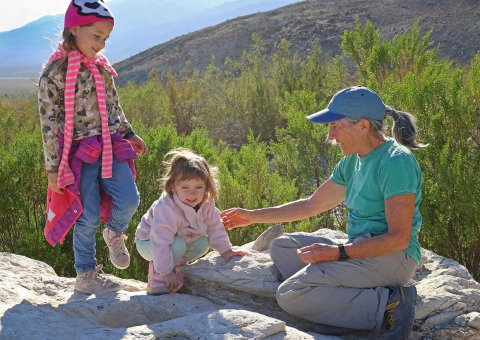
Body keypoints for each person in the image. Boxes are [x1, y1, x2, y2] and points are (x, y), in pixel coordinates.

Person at [221, 86, 426, 339]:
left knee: (290, 295)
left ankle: (390, 303)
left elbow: (398, 239)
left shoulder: (396, 162)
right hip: (361, 247)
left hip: (394, 257)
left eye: (336, 127)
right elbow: (310, 205)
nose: (330, 136)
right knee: (282, 248)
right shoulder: (352, 160)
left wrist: (337, 253)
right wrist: (251, 215)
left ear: (362, 126)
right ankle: (348, 303)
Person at [38, 0, 147, 294]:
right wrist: (52, 170)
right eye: (96, 36)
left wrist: (129, 132)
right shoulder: (54, 73)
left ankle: (114, 232)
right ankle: (85, 275)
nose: (100, 45)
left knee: (129, 198)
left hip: (110, 143)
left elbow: (113, 105)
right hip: (77, 154)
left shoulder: (101, 69)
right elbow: (48, 124)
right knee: (85, 215)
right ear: (74, 29)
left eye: (105, 39)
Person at [135, 148, 246, 295]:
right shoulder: (167, 207)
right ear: (173, 185)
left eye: (198, 187)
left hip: (176, 241)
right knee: (177, 244)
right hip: (148, 242)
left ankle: (176, 266)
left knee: (203, 243)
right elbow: (160, 241)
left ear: (207, 186)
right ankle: (158, 278)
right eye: (185, 187)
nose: (192, 193)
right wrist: (166, 272)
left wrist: (226, 250)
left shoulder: (206, 203)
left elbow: (214, 226)